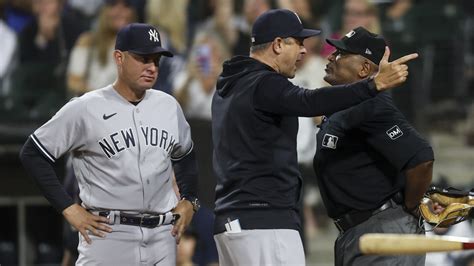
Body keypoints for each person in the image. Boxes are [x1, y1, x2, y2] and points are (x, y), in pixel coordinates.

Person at [211, 9, 418, 265]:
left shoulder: (231, 84)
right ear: (277, 45)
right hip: (263, 221)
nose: (304, 51)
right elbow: (309, 101)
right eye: (298, 42)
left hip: (231, 221)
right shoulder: (263, 83)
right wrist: (373, 84)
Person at [19, 23, 200, 265]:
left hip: (162, 235)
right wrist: (69, 209)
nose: (152, 67)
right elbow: (33, 153)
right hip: (109, 234)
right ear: (119, 58)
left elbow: (185, 156)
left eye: (156, 60)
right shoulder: (86, 107)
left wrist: (190, 200)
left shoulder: (168, 106)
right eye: (143, 58)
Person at [313, 26, 434, 265]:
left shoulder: (371, 105)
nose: (330, 57)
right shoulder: (349, 105)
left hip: (382, 230)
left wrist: (410, 206)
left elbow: (422, 158)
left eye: (340, 54)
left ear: (364, 69)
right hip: (360, 231)